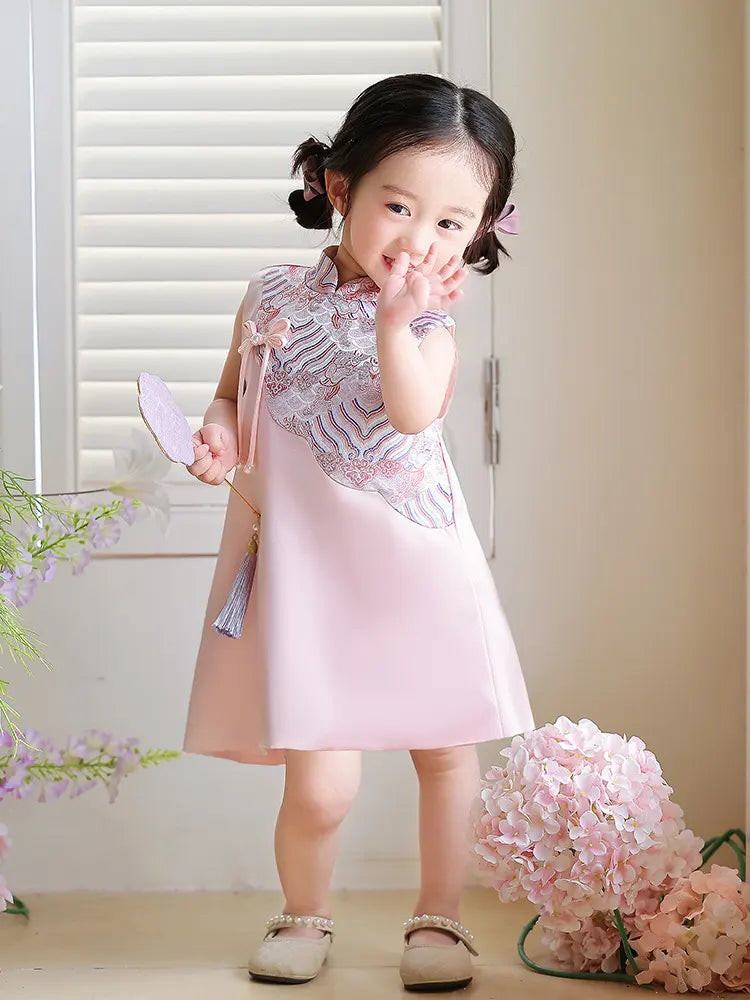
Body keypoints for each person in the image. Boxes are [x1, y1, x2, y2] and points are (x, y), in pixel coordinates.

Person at [181, 72, 535, 992]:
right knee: (321, 782)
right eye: (399, 206)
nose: (419, 241)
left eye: (451, 222)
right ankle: (304, 913)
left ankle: (440, 920)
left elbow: (412, 413)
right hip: (308, 574)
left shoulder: (432, 328)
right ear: (340, 187)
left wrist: (393, 323)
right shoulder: (270, 296)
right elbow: (229, 394)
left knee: (444, 751)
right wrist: (218, 438)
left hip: (415, 569)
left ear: (479, 234)